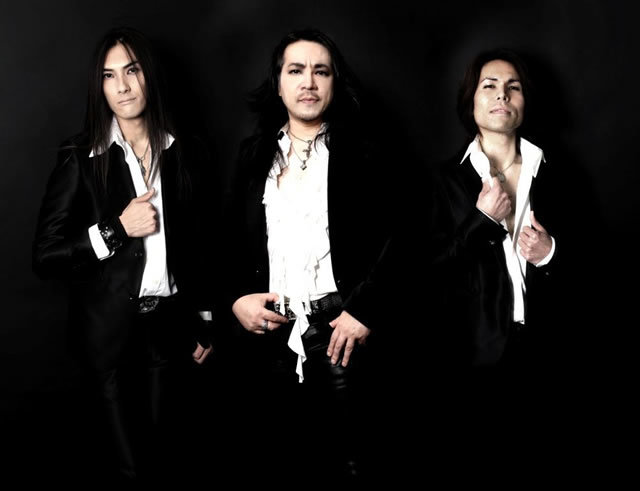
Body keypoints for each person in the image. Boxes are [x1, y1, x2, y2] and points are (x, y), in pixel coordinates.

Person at [32, 27, 215, 483]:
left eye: (131, 71)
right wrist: (116, 229)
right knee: (129, 469)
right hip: (107, 342)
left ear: (148, 75)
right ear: (100, 87)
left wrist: (205, 319)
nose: (123, 86)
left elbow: (200, 241)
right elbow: (46, 255)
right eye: (109, 75)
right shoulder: (80, 156)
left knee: (170, 459)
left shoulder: (185, 151)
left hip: (169, 331)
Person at [226, 28, 391, 484]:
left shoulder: (365, 152)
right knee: (282, 469)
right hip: (270, 339)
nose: (309, 82)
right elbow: (227, 241)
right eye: (296, 70)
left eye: (321, 71)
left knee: (356, 467)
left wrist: (364, 309)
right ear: (278, 83)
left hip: (342, 336)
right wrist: (236, 299)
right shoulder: (252, 155)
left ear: (335, 82)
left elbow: (402, 239)